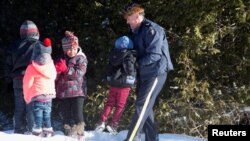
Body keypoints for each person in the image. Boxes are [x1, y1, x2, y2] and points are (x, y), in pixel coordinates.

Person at [121, 3, 174, 141]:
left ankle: (130, 139)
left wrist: (137, 63)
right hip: (143, 73)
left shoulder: (152, 30)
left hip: (155, 72)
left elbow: (155, 55)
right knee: (146, 107)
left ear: (137, 17)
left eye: (129, 18)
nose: (127, 21)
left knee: (141, 105)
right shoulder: (134, 31)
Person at [95, 36, 137, 135]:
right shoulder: (129, 54)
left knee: (110, 103)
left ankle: (101, 122)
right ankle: (113, 124)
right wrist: (132, 76)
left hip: (114, 83)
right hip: (125, 84)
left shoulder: (113, 54)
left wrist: (109, 77)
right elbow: (129, 66)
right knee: (120, 105)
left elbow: (109, 68)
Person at [5, 20, 40, 134]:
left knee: (19, 106)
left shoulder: (14, 46)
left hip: (18, 80)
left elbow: (8, 64)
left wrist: (9, 78)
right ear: (34, 32)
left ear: (22, 33)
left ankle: (18, 129)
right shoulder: (37, 46)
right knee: (31, 106)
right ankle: (32, 129)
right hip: (32, 80)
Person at [55, 31, 88, 138]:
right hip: (64, 92)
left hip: (78, 92)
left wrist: (66, 69)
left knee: (78, 114)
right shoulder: (62, 59)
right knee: (66, 114)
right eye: (68, 49)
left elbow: (79, 73)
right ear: (64, 49)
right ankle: (67, 132)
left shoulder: (81, 58)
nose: (71, 51)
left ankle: (80, 133)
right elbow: (55, 76)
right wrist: (57, 71)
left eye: (73, 48)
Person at [23, 38, 57, 137]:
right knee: (47, 114)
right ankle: (48, 130)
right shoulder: (51, 65)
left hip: (37, 96)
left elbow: (27, 83)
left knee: (38, 115)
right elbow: (54, 76)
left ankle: (37, 131)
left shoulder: (32, 67)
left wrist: (27, 96)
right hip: (49, 96)